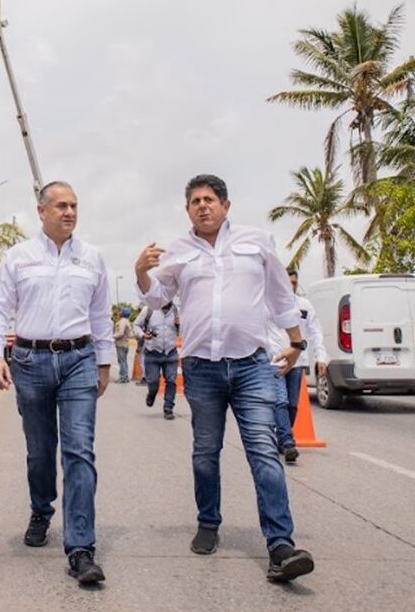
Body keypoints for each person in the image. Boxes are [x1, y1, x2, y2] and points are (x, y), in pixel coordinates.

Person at [134, 174, 314, 582]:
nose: (203, 206)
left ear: (226, 205)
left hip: (252, 365)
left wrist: (297, 343)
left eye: (210, 199)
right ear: (188, 210)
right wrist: (141, 272)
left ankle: (281, 545)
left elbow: (280, 296)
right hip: (202, 368)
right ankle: (208, 523)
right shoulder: (178, 251)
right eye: (196, 200)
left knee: (264, 453)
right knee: (205, 452)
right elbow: (156, 298)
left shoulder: (256, 242)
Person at [0, 181, 112, 584]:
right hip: (29, 360)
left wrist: (104, 361)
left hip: (78, 359)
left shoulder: (93, 257)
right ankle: (41, 509)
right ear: (41, 211)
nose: (69, 212)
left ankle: (80, 548)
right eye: (60, 206)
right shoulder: (18, 257)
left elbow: (100, 314)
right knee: (41, 451)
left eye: (74, 205)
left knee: (79, 452)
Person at [268, 268, 327, 463]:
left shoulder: (304, 306)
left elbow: (315, 331)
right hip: (275, 360)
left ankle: (281, 437)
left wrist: (321, 357)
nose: (291, 286)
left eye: (294, 282)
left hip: (298, 362)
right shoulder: (268, 303)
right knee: (280, 402)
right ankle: (287, 443)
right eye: (288, 282)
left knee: (292, 405)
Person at [133, 302, 180, 419]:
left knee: (171, 380)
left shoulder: (177, 311)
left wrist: (180, 325)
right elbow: (136, 325)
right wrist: (143, 335)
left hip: (170, 352)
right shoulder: (148, 310)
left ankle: (168, 408)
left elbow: (188, 329)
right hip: (152, 352)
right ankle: (152, 393)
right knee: (153, 381)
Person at [113, 307, 132, 383]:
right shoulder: (127, 321)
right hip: (125, 344)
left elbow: (120, 333)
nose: (119, 312)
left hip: (121, 344)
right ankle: (125, 376)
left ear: (123, 313)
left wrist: (112, 336)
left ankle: (123, 377)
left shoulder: (122, 321)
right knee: (124, 361)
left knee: (122, 361)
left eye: (120, 311)